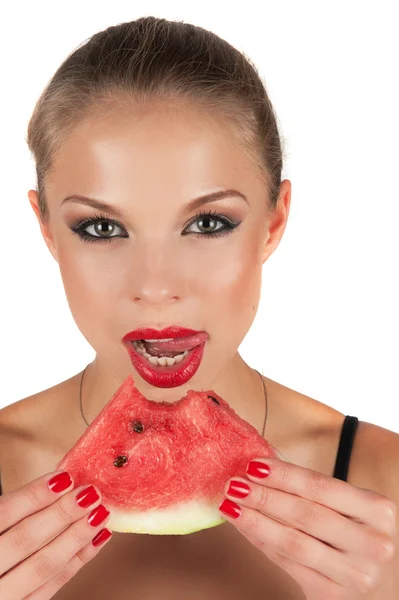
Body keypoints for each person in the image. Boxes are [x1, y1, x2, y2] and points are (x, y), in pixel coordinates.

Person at [0, 15, 398, 600]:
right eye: (102, 227)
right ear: (47, 230)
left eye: (208, 223)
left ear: (273, 222)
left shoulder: (384, 484)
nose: (157, 287)